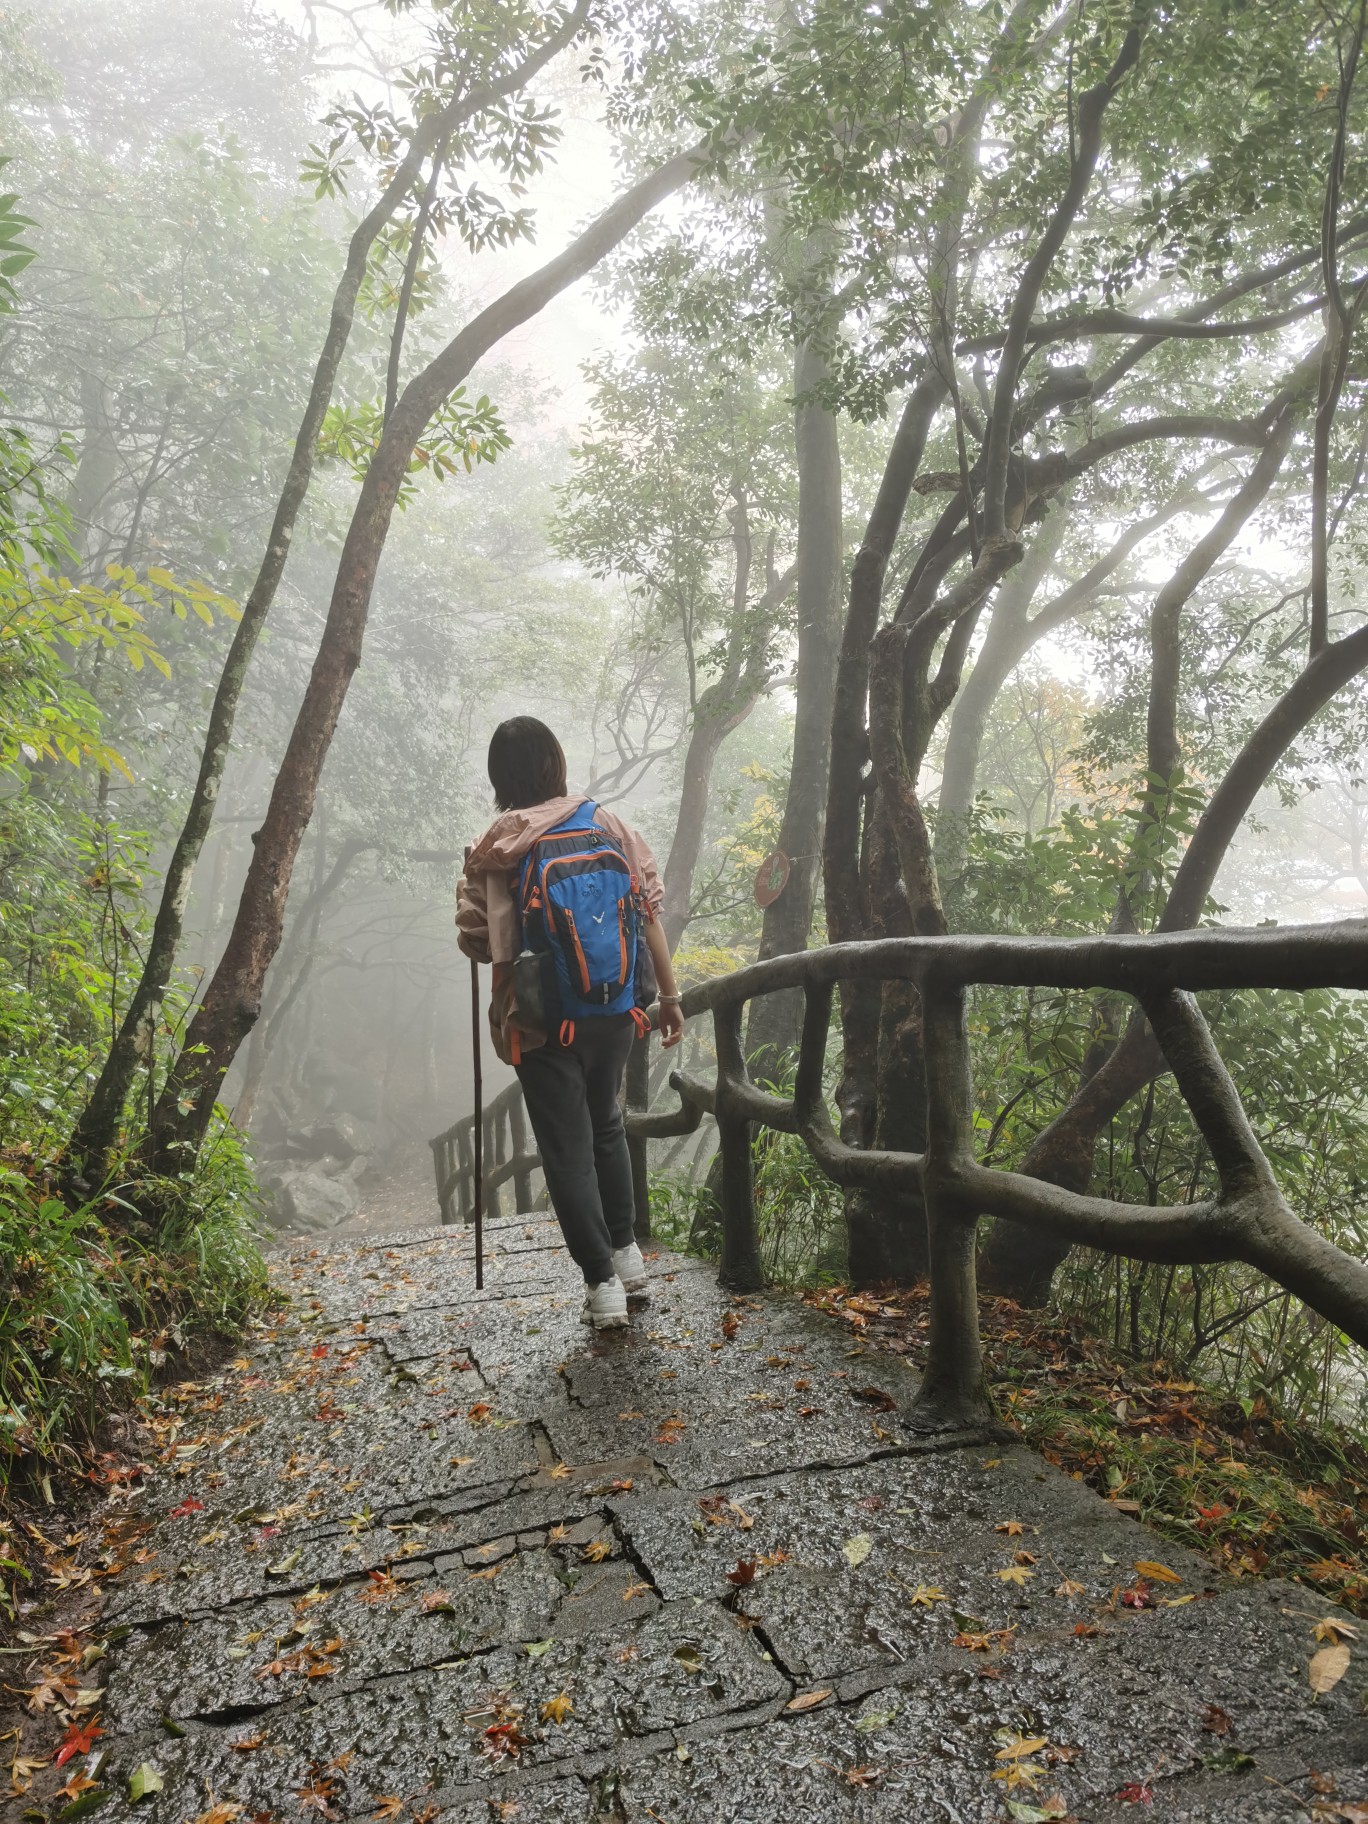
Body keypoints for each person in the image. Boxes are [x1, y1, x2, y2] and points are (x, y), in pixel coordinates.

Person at [456, 717, 683, 1329]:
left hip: (539, 1018)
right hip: (616, 1009)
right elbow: (649, 912)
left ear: (500, 775)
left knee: (566, 1149)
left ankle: (602, 1285)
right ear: (556, 762)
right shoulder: (606, 822)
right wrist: (669, 997)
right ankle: (629, 1256)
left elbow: (478, 941)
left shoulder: (499, 843)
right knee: (607, 1124)